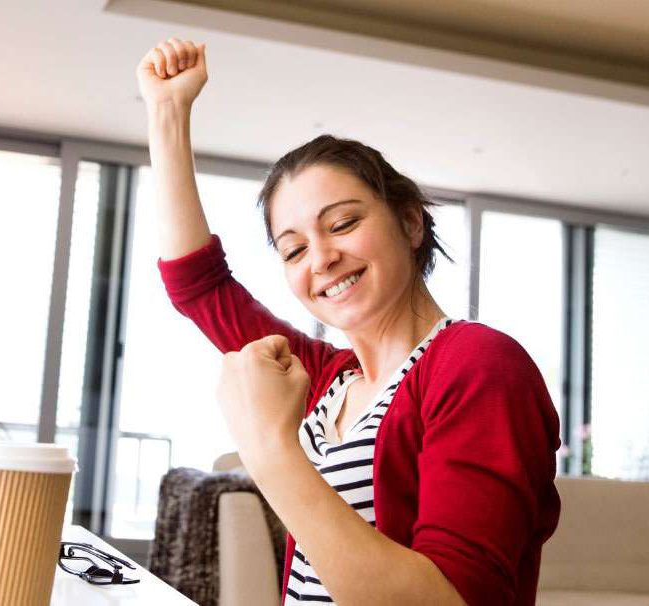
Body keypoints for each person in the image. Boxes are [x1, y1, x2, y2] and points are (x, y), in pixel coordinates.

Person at [136, 38, 561, 606]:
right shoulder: (323, 379)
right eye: (293, 249)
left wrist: (268, 450)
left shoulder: (478, 364)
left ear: (410, 223)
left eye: (342, 224)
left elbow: (456, 597)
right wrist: (168, 110)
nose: (321, 259)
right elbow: (199, 285)